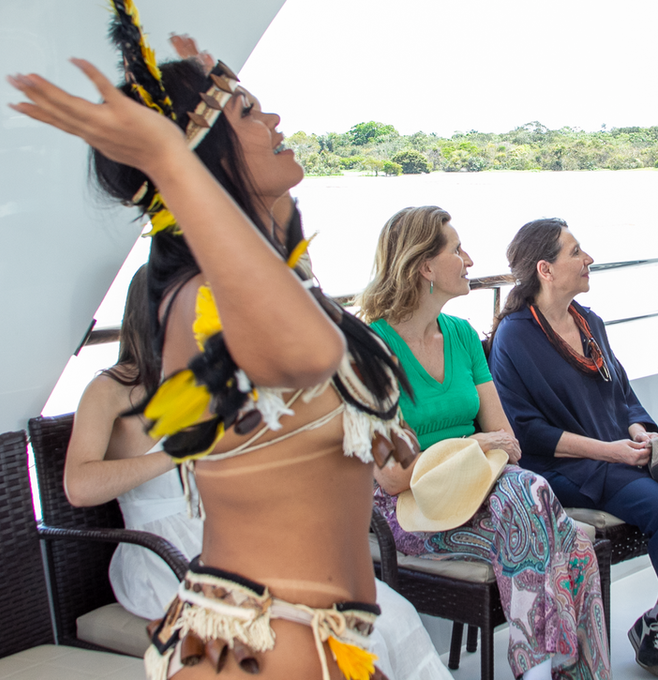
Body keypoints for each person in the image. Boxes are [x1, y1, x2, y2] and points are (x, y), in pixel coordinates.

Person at [10, 0, 420, 680]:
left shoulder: (276, 280)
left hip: (315, 641)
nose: (276, 119)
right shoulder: (200, 298)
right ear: (207, 157)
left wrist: (370, 437)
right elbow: (309, 354)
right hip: (258, 649)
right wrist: (173, 160)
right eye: (249, 113)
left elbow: (313, 338)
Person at [64, 265, 453, 680]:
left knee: (387, 615)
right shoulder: (109, 391)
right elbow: (80, 486)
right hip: (164, 552)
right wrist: (175, 453)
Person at [489, 219, 658, 680]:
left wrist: (638, 430)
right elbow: (526, 433)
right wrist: (611, 452)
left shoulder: (589, 321)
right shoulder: (515, 335)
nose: (588, 259)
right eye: (576, 251)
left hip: (620, 455)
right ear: (545, 269)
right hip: (567, 470)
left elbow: (623, 393)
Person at [358, 206, 610, 680]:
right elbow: (393, 476)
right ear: (424, 267)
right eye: (457, 249)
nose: (470, 259)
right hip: (409, 509)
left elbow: (507, 442)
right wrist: (474, 445)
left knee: (552, 523)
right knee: (563, 534)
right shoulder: (372, 351)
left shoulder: (462, 336)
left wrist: (473, 449)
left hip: (483, 492)